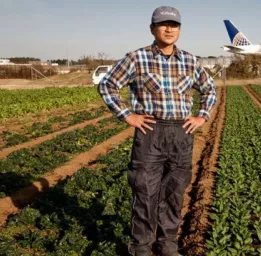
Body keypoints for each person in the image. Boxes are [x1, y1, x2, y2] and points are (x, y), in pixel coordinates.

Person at [97, 6, 217, 256]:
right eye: (163, 24)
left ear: (180, 29)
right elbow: (108, 84)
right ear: (152, 28)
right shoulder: (136, 58)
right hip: (150, 132)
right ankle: (141, 246)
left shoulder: (190, 60)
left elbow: (209, 89)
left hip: (181, 134)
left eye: (174, 24)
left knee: (175, 191)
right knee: (145, 191)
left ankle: (167, 243)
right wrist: (127, 115)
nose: (169, 29)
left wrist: (202, 116)